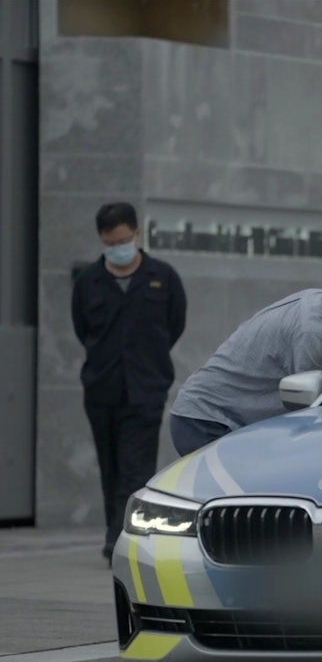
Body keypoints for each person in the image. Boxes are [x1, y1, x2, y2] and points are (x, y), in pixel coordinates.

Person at [169, 256, 322, 456]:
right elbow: (312, 408)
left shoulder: (317, 302)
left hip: (212, 419)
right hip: (207, 422)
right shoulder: (312, 330)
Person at [71, 202, 187, 566]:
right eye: (110, 242)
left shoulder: (163, 277)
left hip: (146, 389)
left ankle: (120, 541)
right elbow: (81, 329)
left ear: (137, 234)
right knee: (111, 468)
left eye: (123, 240)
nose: (117, 247)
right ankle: (117, 535)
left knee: (136, 469)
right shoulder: (89, 281)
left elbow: (175, 324)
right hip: (102, 390)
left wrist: (147, 363)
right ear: (102, 241)